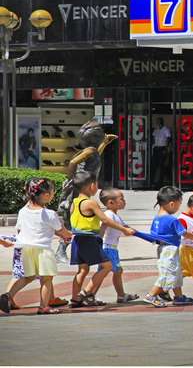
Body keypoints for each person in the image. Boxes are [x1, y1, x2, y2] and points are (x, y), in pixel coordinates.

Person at [0, 178, 72, 314]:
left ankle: (8, 296)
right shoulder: (50, 214)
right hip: (43, 250)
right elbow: (61, 229)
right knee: (47, 279)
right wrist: (68, 235)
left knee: (28, 276)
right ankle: (44, 306)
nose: (53, 195)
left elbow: (20, 230)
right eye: (52, 192)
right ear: (46, 196)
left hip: (26, 249)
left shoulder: (23, 211)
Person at [69, 172, 135, 308]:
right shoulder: (91, 203)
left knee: (82, 271)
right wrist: (124, 230)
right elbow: (105, 219)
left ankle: (75, 298)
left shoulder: (74, 203)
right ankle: (87, 292)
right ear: (92, 186)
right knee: (107, 266)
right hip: (88, 239)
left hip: (77, 239)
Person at [56, 121, 117, 263]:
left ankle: (72, 250)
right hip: (79, 189)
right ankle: (61, 251)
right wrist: (71, 180)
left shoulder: (92, 151)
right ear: (96, 137)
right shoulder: (89, 151)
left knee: (78, 220)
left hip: (83, 188)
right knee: (72, 221)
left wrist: (105, 144)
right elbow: (73, 163)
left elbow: (95, 155)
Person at [143, 186, 193, 307]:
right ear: (172, 204)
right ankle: (151, 295)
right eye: (179, 204)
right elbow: (184, 233)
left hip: (162, 249)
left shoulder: (157, 218)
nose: (179, 207)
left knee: (176, 273)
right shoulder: (172, 219)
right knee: (168, 274)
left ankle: (179, 297)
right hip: (170, 250)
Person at [98, 188, 139, 303]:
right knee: (104, 272)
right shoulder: (108, 215)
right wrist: (98, 243)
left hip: (112, 248)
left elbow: (128, 228)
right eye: (122, 199)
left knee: (117, 271)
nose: (124, 201)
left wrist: (146, 236)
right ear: (111, 202)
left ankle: (121, 295)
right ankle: (90, 293)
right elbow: (103, 226)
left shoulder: (115, 216)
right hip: (107, 248)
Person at [152, 117, 171, 188]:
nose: (158, 123)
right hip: (156, 148)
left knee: (162, 165)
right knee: (154, 165)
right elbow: (154, 138)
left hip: (162, 148)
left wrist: (165, 149)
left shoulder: (166, 130)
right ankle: (154, 180)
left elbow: (167, 139)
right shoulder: (156, 130)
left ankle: (161, 181)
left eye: (159, 121)